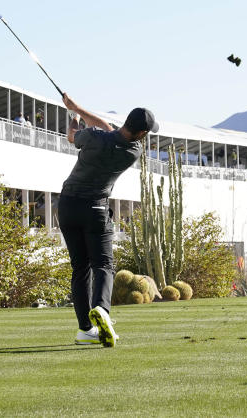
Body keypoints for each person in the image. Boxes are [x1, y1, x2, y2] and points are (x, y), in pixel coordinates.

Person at [59, 93, 158, 347]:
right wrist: (78, 108)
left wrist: (74, 115)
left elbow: (72, 136)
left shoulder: (93, 137)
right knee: (103, 265)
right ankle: (102, 309)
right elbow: (109, 130)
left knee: (80, 269)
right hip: (95, 210)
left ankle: (85, 329)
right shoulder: (133, 150)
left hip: (68, 205)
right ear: (142, 134)